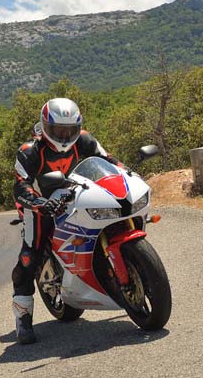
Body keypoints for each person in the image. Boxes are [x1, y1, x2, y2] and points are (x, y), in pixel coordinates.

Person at [12, 97, 123, 344]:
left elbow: (110, 161)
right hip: (41, 205)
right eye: (58, 130)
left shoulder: (84, 139)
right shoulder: (29, 151)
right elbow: (21, 186)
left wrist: (127, 174)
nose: (63, 135)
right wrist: (39, 203)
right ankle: (22, 318)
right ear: (45, 126)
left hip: (78, 195)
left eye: (69, 130)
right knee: (30, 255)